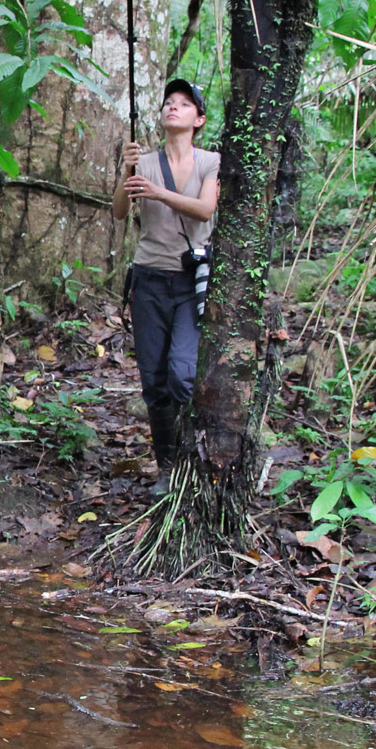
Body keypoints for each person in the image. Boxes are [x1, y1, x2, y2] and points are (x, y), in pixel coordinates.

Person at [112, 78, 220, 492]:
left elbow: (206, 208)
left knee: (181, 371)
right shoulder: (145, 160)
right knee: (154, 380)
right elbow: (120, 212)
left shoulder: (210, 161)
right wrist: (127, 172)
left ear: (199, 119)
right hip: (149, 278)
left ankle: (197, 451)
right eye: (169, 103)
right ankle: (169, 468)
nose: (173, 108)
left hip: (191, 281)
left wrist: (157, 191)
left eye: (184, 104)